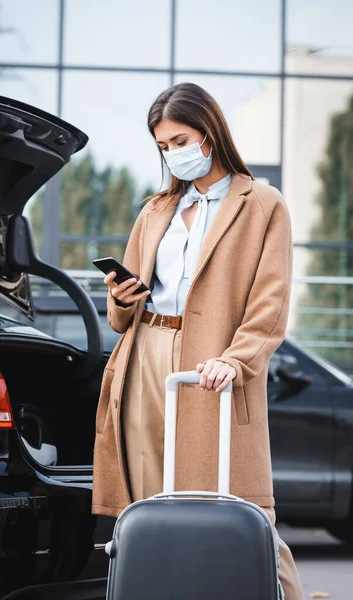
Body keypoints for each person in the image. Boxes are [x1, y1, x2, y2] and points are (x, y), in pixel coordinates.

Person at [92, 82, 303, 600]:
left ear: (209, 133)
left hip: (212, 368)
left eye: (179, 140)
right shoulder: (155, 211)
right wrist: (120, 296)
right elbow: (123, 318)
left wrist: (238, 359)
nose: (172, 154)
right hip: (145, 358)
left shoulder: (262, 205)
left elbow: (270, 301)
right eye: (163, 147)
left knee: (243, 513)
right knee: (148, 505)